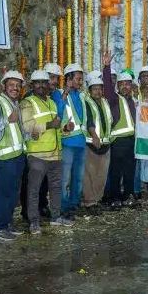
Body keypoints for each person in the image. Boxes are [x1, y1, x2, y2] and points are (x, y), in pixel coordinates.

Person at [21, 70, 71, 235]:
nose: (42, 86)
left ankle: (56, 216)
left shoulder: (52, 102)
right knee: (34, 190)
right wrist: (50, 125)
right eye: (38, 83)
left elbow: (58, 126)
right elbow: (27, 127)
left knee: (55, 187)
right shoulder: (27, 103)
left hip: (55, 154)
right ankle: (33, 221)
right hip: (38, 155)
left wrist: (65, 128)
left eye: (44, 82)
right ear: (32, 85)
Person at [0, 70, 28, 241]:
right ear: (4, 86)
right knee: (3, 194)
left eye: (18, 86)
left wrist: (27, 137)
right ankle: (0, 228)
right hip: (3, 158)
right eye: (11, 85)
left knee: (12, 193)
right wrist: (7, 121)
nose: (15, 88)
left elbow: (16, 128)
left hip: (17, 156)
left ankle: (8, 224)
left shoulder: (15, 103)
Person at [103, 50, 138, 207]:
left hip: (132, 141)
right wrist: (106, 67)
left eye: (127, 84)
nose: (124, 86)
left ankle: (128, 196)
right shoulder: (114, 99)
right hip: (117, 142)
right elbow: (107, 87)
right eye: (121, 84)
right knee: (115, 172)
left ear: (131, 85)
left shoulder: (135, 101)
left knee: (129, 171)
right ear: (118, 86)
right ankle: (115, 198)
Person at [59, 63, 88, 219]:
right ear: (69, 78)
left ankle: (74, 205)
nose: (80, 82)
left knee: (78, 178)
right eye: (78, 79)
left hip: (81, 143)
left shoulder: (82, 95)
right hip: (67, 143)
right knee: (65, 179)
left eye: (81, 79)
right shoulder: (59, 93)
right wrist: (65, 92)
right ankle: (63, 208)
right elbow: (56, 111)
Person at [82, 74, 113, 212]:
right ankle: (89, 201)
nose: (98, 92)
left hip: (105, 144)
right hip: (92, 143)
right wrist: (94, 136)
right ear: (89, 90)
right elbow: (89, 120)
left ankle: (97, 199)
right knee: (90, 174)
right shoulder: (86, 102)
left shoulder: (105, 102)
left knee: (102, 175)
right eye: (94, 89)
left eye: (100, 89)